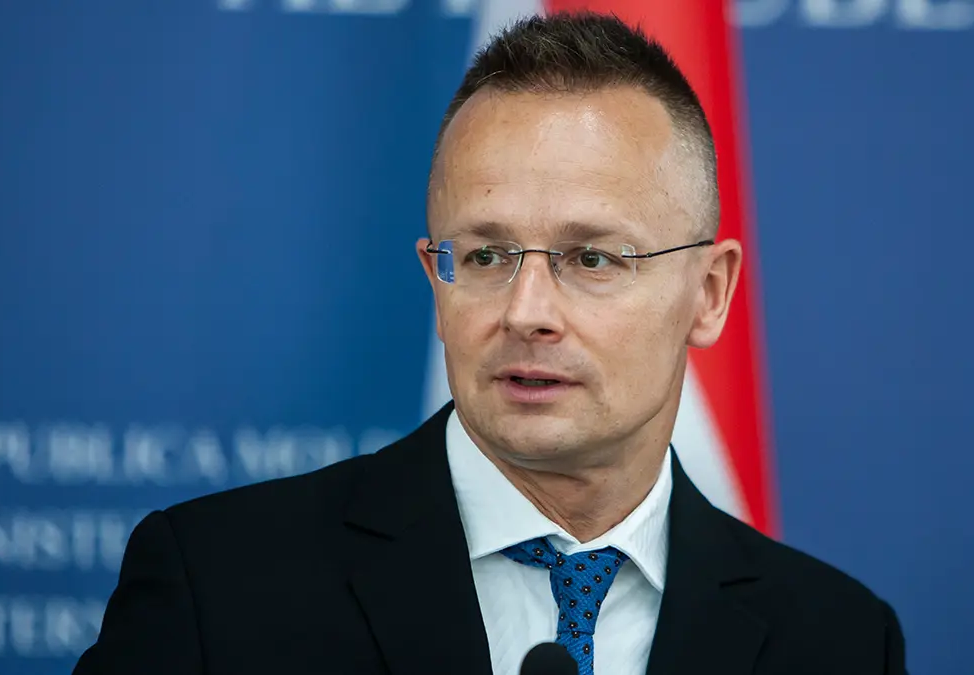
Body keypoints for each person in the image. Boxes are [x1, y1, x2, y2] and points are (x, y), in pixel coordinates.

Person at [73, 12, 906, 675]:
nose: (526, 311)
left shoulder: (838, 640)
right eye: (485, 256)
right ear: (437, 281)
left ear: (710, 294)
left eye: (592, 258)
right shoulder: (220, 587)